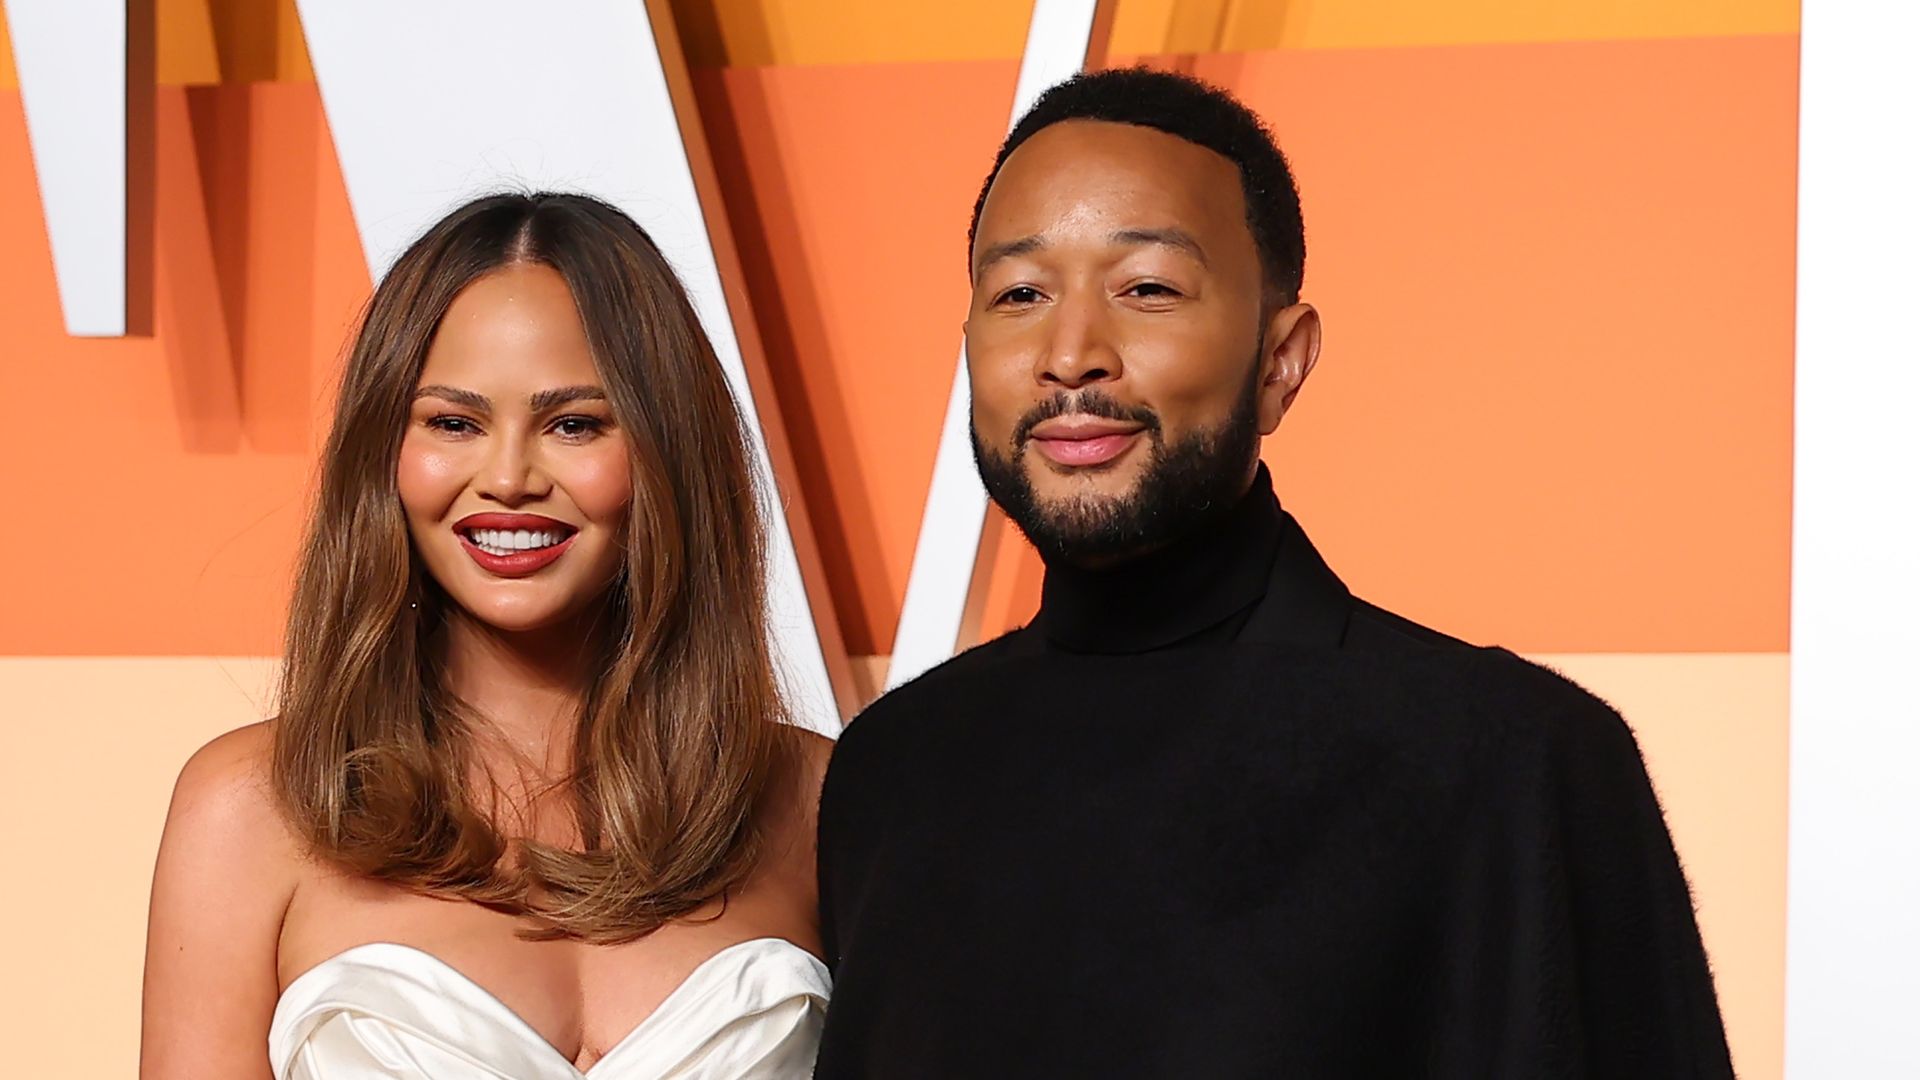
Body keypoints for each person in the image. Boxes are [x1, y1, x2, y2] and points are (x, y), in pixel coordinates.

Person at [815, 69, 1734, 1078]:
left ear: (1281, 360)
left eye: (1147, 290)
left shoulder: (1512, 766)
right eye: (1020, 294)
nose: (1071, 354)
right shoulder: (893, 773)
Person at [141, 193, 832, 1079]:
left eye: (574, 424)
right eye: (454, 423)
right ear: (384, 453)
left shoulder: (815, 801)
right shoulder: (249, 810)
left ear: (667, 452)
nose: (507, 477)